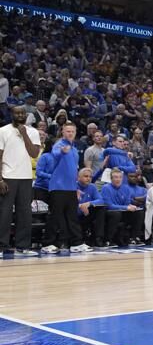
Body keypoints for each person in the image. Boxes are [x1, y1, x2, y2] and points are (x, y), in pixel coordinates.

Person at [0, 106, 42, 256]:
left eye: (22, 113)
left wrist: (24, 134)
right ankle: (1, 246)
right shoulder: (3, 131)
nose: (20, 115)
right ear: (12, 114)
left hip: (25, 177)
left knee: (24, 214)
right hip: (7, 177)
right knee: (4, 213)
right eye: (17, 112)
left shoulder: (33, 132)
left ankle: (22, 247)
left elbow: (34, 153)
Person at [44, 121, 87, 254]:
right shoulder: (59, 145)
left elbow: (73, 171)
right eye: (68, 131)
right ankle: (48, 243)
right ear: (62, 132)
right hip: (58, 187)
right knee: (56, 217)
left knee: (72, 217)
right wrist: (62, 152)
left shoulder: (74, 149)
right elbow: (55, 154)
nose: (70, 133)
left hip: (70, 188)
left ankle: (76, 243)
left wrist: (76, 188)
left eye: (73, 131)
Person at [102, 169, 143, 247]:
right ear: (111, 179)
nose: (118, 179)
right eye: (115, 177)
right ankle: (108, 240)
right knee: (116, 214)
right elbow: (109, 205)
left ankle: (133, 238)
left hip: (122, 212)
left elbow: (127, 203)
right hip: (109, 212)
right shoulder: (106, 188)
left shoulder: (126, 188)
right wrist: (126, 207)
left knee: (139, 212)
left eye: (120, 177)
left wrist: (131, 206)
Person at [76, 167, 105, 247]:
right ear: (79, 177)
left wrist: (89, 203)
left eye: (90, 177)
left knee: (101, 209)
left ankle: (98, 239)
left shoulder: (92, 187)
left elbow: (101, 200)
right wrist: (81, 206)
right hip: (75, 215)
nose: (88, 178)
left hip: (87, 214)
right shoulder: (73, 186)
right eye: (86, 176)